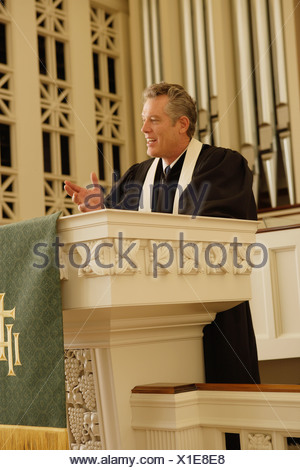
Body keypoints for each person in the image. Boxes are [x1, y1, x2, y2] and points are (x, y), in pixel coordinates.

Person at [64, 82, 260, 384]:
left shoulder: (223, 165)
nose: (143, 128)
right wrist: (101, 212)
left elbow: (206, 230)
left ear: (182, 124)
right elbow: (119, 235)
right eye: (144, 119)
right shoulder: (137, 177)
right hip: (145, 318)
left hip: (212, 314)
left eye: (153, 120)